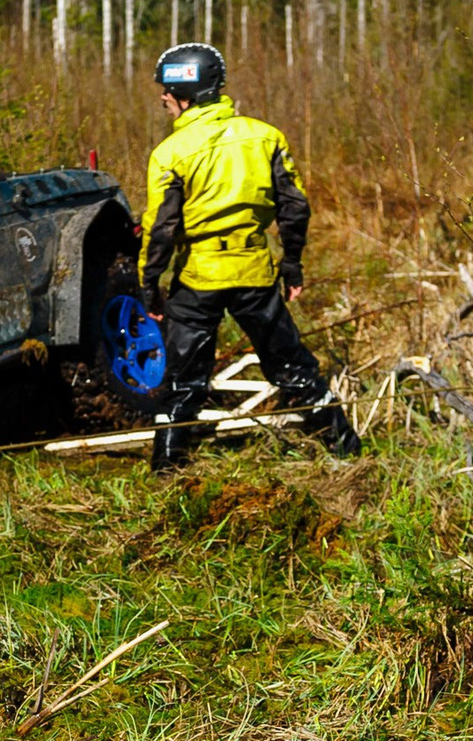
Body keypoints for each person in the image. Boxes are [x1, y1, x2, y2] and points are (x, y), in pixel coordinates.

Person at [139, 43, 361, 472]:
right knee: (293, 368)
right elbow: (294, 207)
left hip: (198, 278)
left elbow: (160, 228)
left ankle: (167, 469)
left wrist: (150, 286)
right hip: (255, 273)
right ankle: (347, 449)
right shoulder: (265, 136)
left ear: (186, 94)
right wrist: (291, 263)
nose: (163, 97)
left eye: (167, 90)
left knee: (183, 378)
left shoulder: (170, 153)